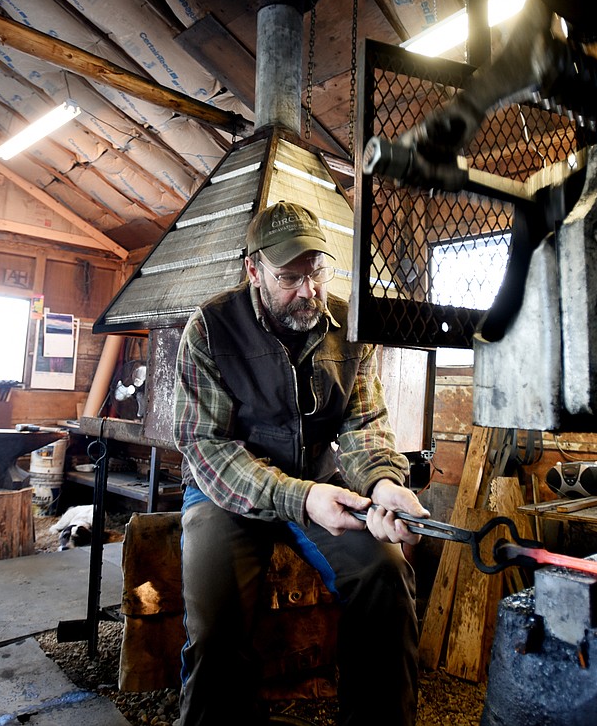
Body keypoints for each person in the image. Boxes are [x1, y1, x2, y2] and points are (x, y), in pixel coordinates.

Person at [171, 200, 428, 726]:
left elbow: (364, 425)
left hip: (317, 479)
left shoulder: (349, 329)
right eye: (290, 277)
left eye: (317, 272)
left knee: (386, 576)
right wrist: (299, 497)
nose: (309, 290)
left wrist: (383, 484)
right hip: (227, 488)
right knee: (217, 629)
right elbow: (206, 446)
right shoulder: (211, 329)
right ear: (254, 270)